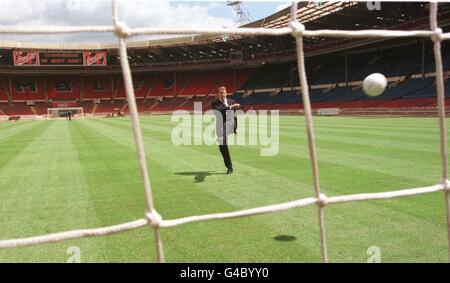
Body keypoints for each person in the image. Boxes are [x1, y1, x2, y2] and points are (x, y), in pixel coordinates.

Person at [211, 86, 240, 174]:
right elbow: (220, 113)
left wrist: (235, 128)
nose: (223, 94)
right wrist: (230, 107)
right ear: (218, 94)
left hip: (230, 124)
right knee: (222, 146)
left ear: (226, 93)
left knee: (222, 142)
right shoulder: (215, 104)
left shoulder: (231, 101)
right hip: (221, 125)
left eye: (224, 93)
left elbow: (234, 115)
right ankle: (229, 167)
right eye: (221, 93)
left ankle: (221, 138)